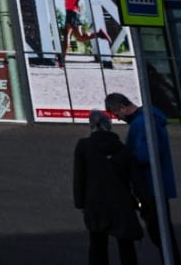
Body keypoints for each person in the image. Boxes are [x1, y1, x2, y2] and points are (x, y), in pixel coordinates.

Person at [106, 92, 180, 263]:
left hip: (150, 187)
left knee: (160, 233)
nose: (118, 119)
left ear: (123, 108)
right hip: (156, 186)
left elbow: (145, 155)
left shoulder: (142, 124)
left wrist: (123, 157)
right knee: (162, 233)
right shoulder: (148, 120)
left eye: (117, 114)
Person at [74, 110, 143, 265]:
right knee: (126, 245)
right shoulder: (122, 148)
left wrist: (80, 203)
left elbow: (79, 176)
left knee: (97, 245)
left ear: (91, 125)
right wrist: (142, 202)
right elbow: (135, 178)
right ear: (109, 125)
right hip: (121, 202)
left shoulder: (84, 146)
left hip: (95, 202)